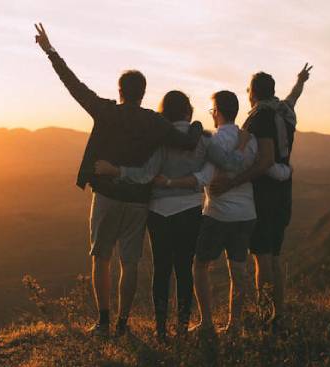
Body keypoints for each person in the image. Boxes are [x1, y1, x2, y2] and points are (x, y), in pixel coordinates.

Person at [34, 23, 204, 338]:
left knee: (101, 257)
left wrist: (51, 51)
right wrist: (197, 125)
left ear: (120, 90)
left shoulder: (105, 111)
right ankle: (124, 323)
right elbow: (188, 142)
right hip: (139, 201)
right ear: (143, 92)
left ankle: (103, 321)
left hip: (107, 196)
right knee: (130, 263)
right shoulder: (155, 122)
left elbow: (73, 85)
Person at [94, 90, 249, 341]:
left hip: (158, 212)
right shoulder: (204, 139)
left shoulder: (160, 140)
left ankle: (161, 329)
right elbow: (231, 164)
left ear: (163, 113)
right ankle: (182, 326)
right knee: (185, 270)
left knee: (162, 269)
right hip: (189, 210)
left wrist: (116, 171)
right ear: (188, 112)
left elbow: (145, 174)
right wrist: (241, 145)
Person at [210, 64, 313, 332]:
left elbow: (265, 160)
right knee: (274, 256)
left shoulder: (260, 119)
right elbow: (294, 97)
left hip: (265, 194)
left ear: (253, 93)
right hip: (283, 191)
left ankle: (266, 316)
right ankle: (278, 315)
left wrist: (232, 182)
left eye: (248, 90)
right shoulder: (284, 111)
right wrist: (300, 80)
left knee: (262, 257)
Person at [167, 91, 258, 335]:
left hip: (217, 213)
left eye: (212, 110)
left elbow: (206, 177)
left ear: (217, 111)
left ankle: (207, 323)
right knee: (238, 270)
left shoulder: (212, 140)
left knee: (200, 266)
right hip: (246, 213)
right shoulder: (251, 140)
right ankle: (234, 325)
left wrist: (170, 182)